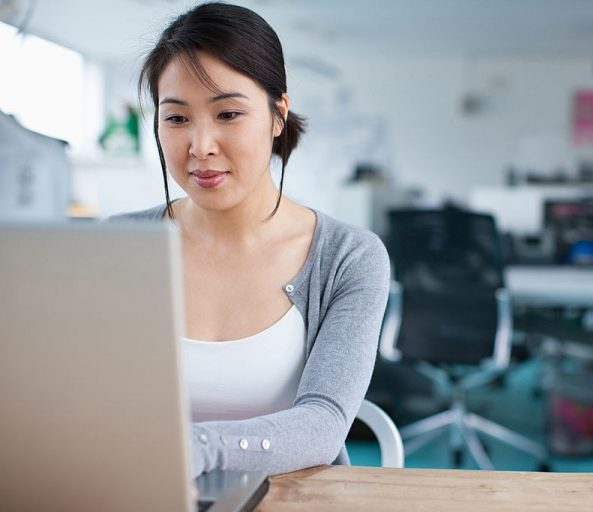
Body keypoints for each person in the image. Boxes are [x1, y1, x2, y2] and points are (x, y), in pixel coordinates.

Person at [109, 2, 390, 477]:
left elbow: (323, 425)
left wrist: (195, 449)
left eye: (228, 114)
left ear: (278, 114)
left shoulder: (349, 258)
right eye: (176, 118)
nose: (200, 146)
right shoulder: (115, 245)